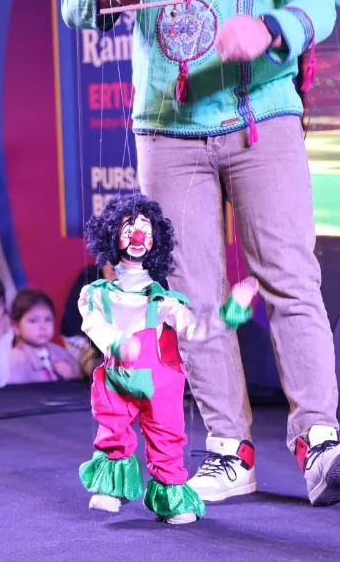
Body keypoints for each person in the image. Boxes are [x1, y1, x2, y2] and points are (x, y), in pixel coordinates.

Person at [62, 0, 340, 505]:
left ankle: (318, 440)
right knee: (191, 294)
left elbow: (316, 1)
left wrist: (270, 28)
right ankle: (230, 450)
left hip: (262, 115)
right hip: (166, 128)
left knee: (289, 277)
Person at [77, 194, 257, 524]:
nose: (138, 235)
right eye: (129, 228)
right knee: (113, 427)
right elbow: (93, 323)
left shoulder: (165, 301)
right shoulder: (96, 295)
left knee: (166, 437)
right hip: (117, 377)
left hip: (160, 382)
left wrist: (232, 311)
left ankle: (171, 498)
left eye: (145, 229)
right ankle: (111, 487)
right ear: (112, 235)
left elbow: (197, 331)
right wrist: (116, 343)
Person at [9, 289, 81, 384]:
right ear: (16, 327)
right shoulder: (14, 360)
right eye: (33, 321)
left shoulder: (61, 352)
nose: (42, 326)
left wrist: (70, 375)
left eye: (48, 319)